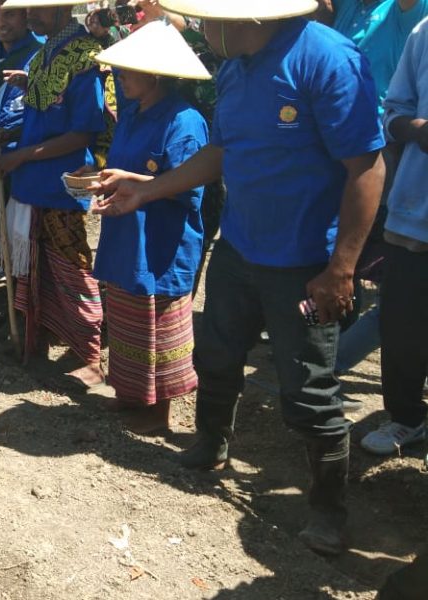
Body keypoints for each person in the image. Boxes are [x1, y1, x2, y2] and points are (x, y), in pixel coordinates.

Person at [96, 0, 386, 555]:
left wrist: (342, 268)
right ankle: (211, 444)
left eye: (209, 18)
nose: (201, 26)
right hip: (238, 246)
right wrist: (147, 189)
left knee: (308, 390)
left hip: (305, 264)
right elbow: (222, 151)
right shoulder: (233, 68)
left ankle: (328, 510)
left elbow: (367, 169)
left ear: (249, 18)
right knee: (217, 355)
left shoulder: (327, 60)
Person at [75, 20, 210, 433]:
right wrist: (103, 178)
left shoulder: (185, 122)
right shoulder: (134, 113)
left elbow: (189, 187)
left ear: (154, 75)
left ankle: (158, 411)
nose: (121, 78)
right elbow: (125, 166)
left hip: (161, 241)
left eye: (128, 72)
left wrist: (132, 181)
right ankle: (129, 392)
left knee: (158, 322)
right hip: (127, 233)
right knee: (126, 313)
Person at [0, 0, 111, 391]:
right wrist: (14, 135)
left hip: (59, 183)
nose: (29, 15)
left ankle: (89, 354)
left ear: (62, 10)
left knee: (72, 268)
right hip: (34, 181)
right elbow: (47, 116)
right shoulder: (45, 53)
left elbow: (82, 133)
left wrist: (22, 154)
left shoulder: (84, 56)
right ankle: (40, 336)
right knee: (36, 266)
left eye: (36, 9)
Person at [359, 15, 428, 455]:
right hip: (415, 215)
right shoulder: (425, 33)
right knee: (402, 324)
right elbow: (394, 111)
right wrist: (415, 130)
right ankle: (405, 418)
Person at [0, 0, 43, 274]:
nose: (0, 23)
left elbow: (49, 114)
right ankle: (9, 278)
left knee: (29, 232)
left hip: (29, 160)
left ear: (26, 15)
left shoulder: (40, 55)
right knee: (2, 222)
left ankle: (28, 291)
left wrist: (14, 134)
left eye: (9, 15)